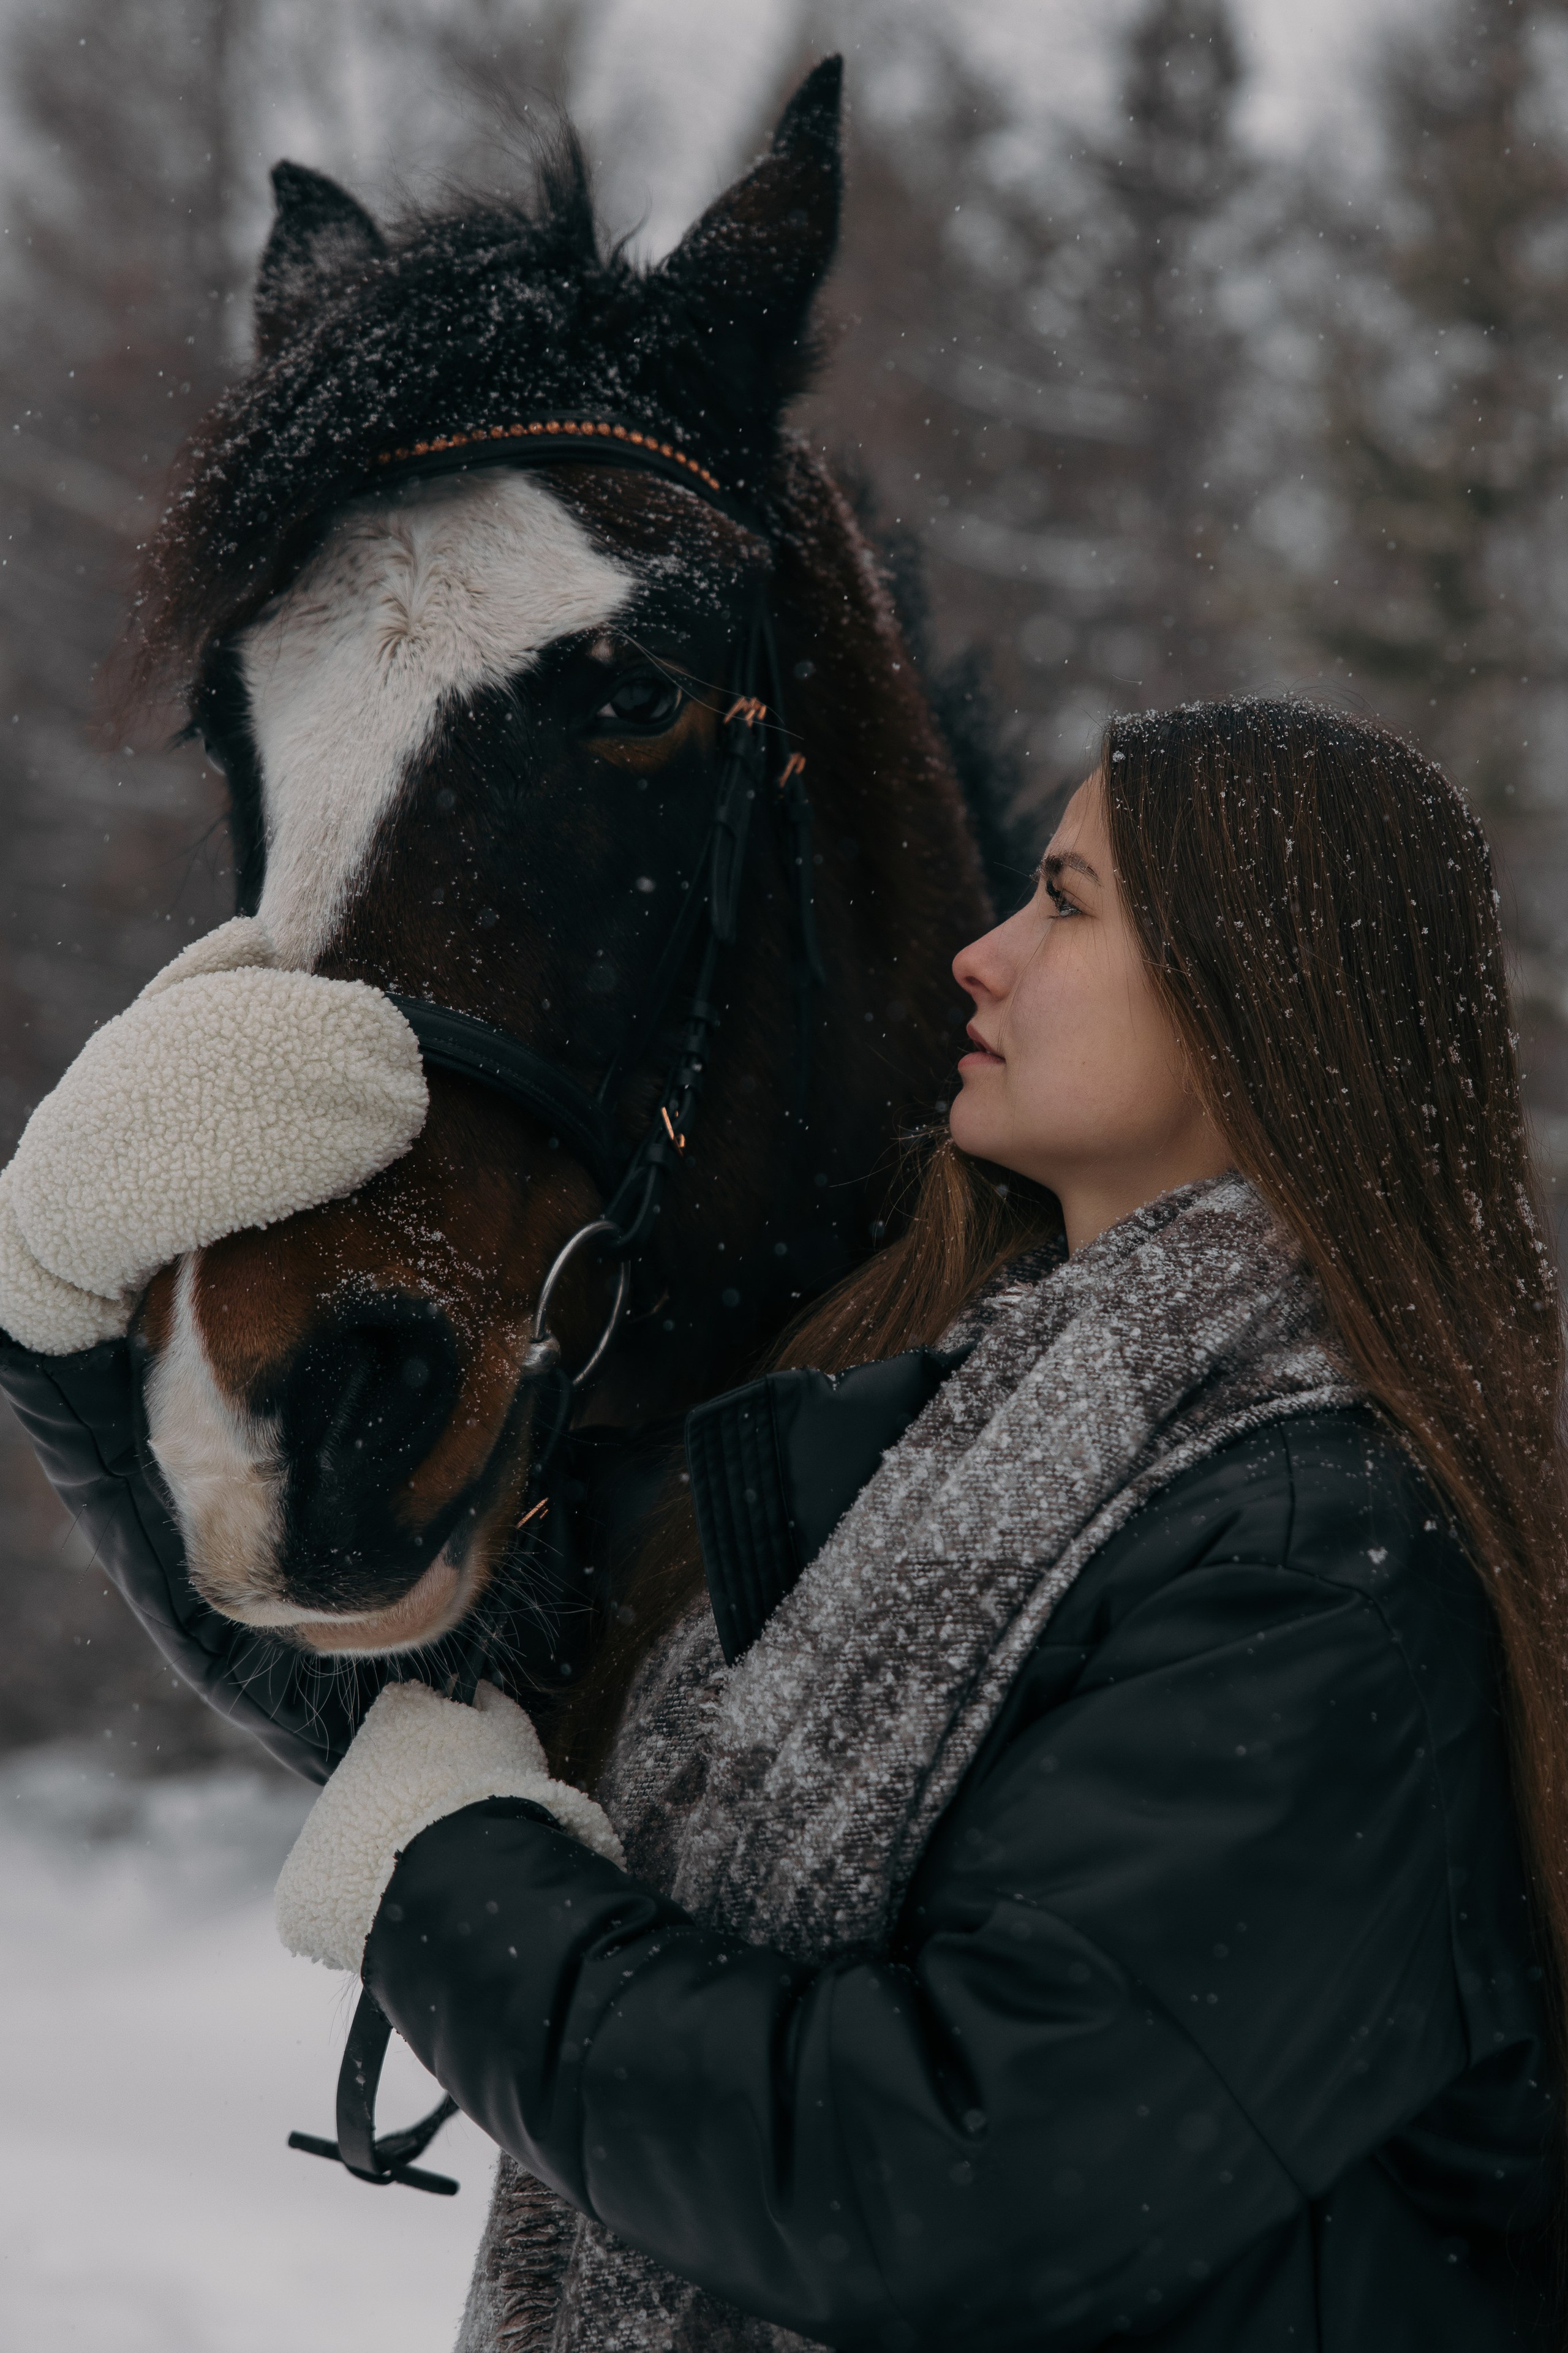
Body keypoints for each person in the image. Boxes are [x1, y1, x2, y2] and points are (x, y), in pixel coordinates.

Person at [0, 697, 1559, 2349]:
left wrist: (457, 1878)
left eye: (1069, 904)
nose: (984, 951)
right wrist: (68, 1318)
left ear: (1264, 991)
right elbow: (418, 1686)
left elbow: (940, 2179)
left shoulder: (1327, 1563)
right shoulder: (925, 1440)